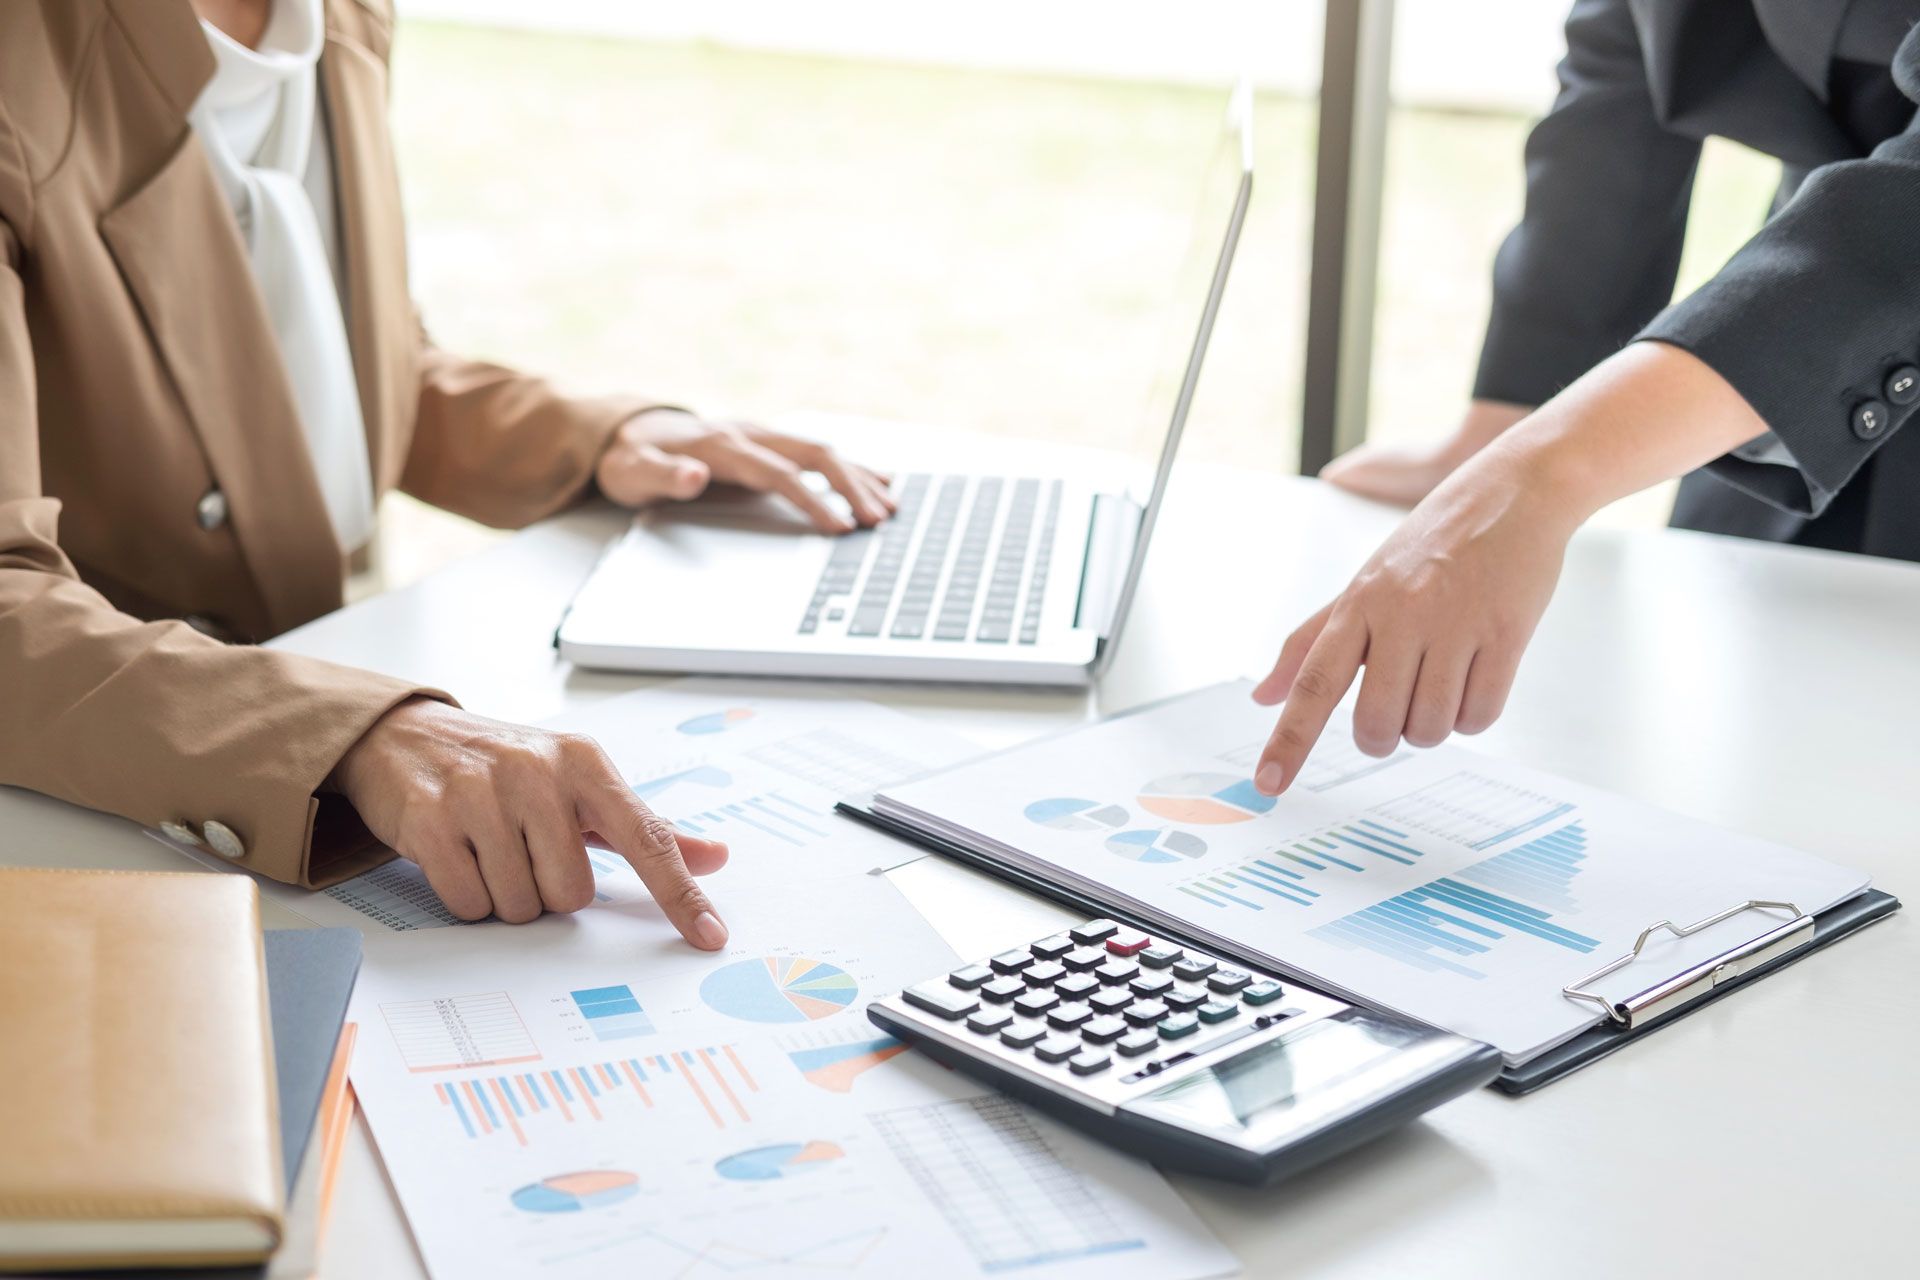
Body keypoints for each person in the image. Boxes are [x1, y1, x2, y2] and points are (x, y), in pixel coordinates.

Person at [0, 0, 895, 945]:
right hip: (90, 817)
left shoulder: (342, 17)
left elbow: (337, 366)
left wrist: (605, 436)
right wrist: (342, 735)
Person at [1252, 0, 1920, 795]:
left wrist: (1540, 476)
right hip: (1776, 375)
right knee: (1721, 770)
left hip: (1804, 329)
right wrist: (1509, 421)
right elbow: (1625, 60)